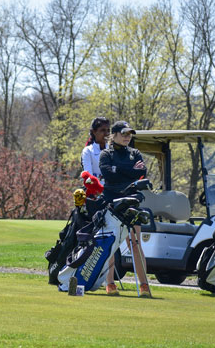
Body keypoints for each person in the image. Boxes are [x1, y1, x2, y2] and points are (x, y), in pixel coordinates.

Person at [99, 121, 152, 298]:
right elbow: (107, 174)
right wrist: (129, 170)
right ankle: (110, 283)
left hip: (131, 201)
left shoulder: (135, 153)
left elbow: (141, 172)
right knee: (110, 244)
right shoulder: (106, 154)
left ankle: (144, 285)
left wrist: (120, 170)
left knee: (135, 243)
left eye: (130, 134)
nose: (127, 137)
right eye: (124, 133)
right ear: (113, 135)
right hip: (111, 202)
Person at [81, 117, 110, 183]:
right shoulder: (88, 151)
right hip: (96, 190)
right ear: (94, 132)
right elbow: (88, 177)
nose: (107, 133)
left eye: (108, 130)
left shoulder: (113, 150)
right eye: (103, 130)